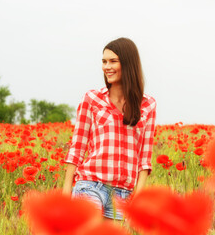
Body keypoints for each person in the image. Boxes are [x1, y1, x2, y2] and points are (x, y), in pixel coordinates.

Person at [63, 37, 157, 220]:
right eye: (104, 61)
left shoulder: (148, 105)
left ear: (128, 64)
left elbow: (144, 160)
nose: (107, 67)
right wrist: (66, 192)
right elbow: (77, 147)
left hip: (123, 195)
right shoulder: (92, 99)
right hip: (91, 186)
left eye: (113, 61)